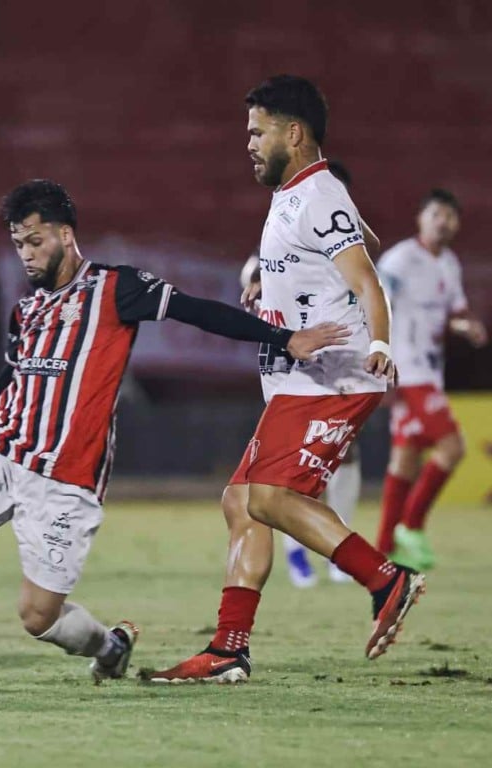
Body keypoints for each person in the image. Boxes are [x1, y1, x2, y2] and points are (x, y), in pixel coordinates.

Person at [0, 178, 345, 684]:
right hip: (3, 449)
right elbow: (10, 372)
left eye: (35, 241)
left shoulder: (117, 288)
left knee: (38, 616)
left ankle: (109, 646)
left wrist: (284, 339)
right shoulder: (27, 307)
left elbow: (198, 311)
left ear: (64, 233)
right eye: (18, 244)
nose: (27, 255)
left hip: (67, 475)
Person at [149, 75, 423, 685]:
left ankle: (387, 578)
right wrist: (264, 279)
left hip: (334, 376)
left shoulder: (318, 194)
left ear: (293, 133)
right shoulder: (298, 191)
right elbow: (361, 245)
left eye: (257, 131)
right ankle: (228, 649)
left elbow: (368, 280)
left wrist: (378, 342)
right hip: (301, 378)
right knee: (241, 503)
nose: (247, 143)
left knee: (269, 499)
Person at [239, 158, 379, 588]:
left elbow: (368, 269)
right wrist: (259, 285)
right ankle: (298, 552)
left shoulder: (346, 247)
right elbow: (253, 280)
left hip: (335, 366)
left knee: (339, 457)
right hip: (290, 370)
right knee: (291, 472)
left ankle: (338, 551)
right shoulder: (280, 241)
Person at [375, 189, 487, 570]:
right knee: (452, 447)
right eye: (437, 213)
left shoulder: (449, 264)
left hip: (429, 372)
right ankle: (413, 526)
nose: (444, 221)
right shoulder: (399, 260)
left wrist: (465, 326)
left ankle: (385, 544)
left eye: (451, 216)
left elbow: (453, 312)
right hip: (407, 371)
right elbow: (372, 305)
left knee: (405, 458)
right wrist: (379, 363)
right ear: (421, 218)